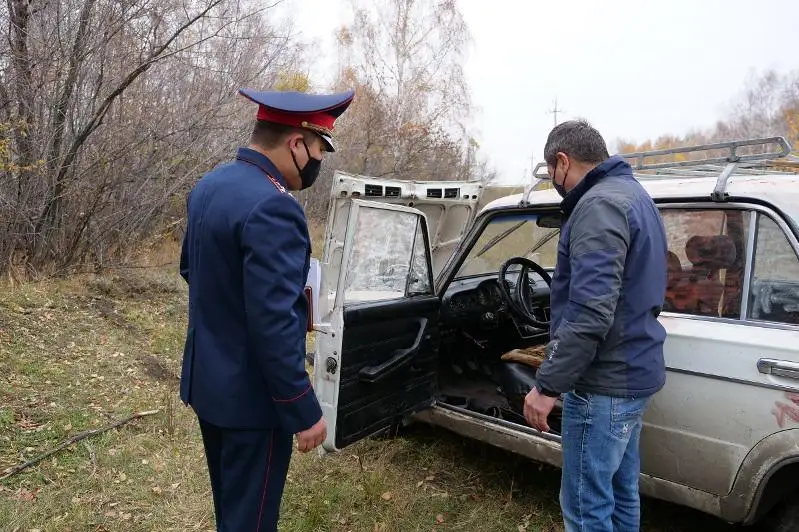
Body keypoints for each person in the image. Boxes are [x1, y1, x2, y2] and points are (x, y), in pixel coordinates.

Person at [178, 86, 354, 531]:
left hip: (210, 387)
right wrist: (303, 408)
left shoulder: (209, 186)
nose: (318, 161)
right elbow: (273, 325)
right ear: (297, 144)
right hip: (254, 403)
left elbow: (191, 271)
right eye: (318, 149)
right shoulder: (274, 206)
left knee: (232, 511)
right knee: (251, 522)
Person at [523, 120, 668, 532]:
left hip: (603, 384)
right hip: (634, 375)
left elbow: (589, 313)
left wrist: (547, 386)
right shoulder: (635, 196)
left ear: (562, 162)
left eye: (551, 172)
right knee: (621, 497)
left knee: (587, 509)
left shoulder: (598, 206)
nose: (554, 181)